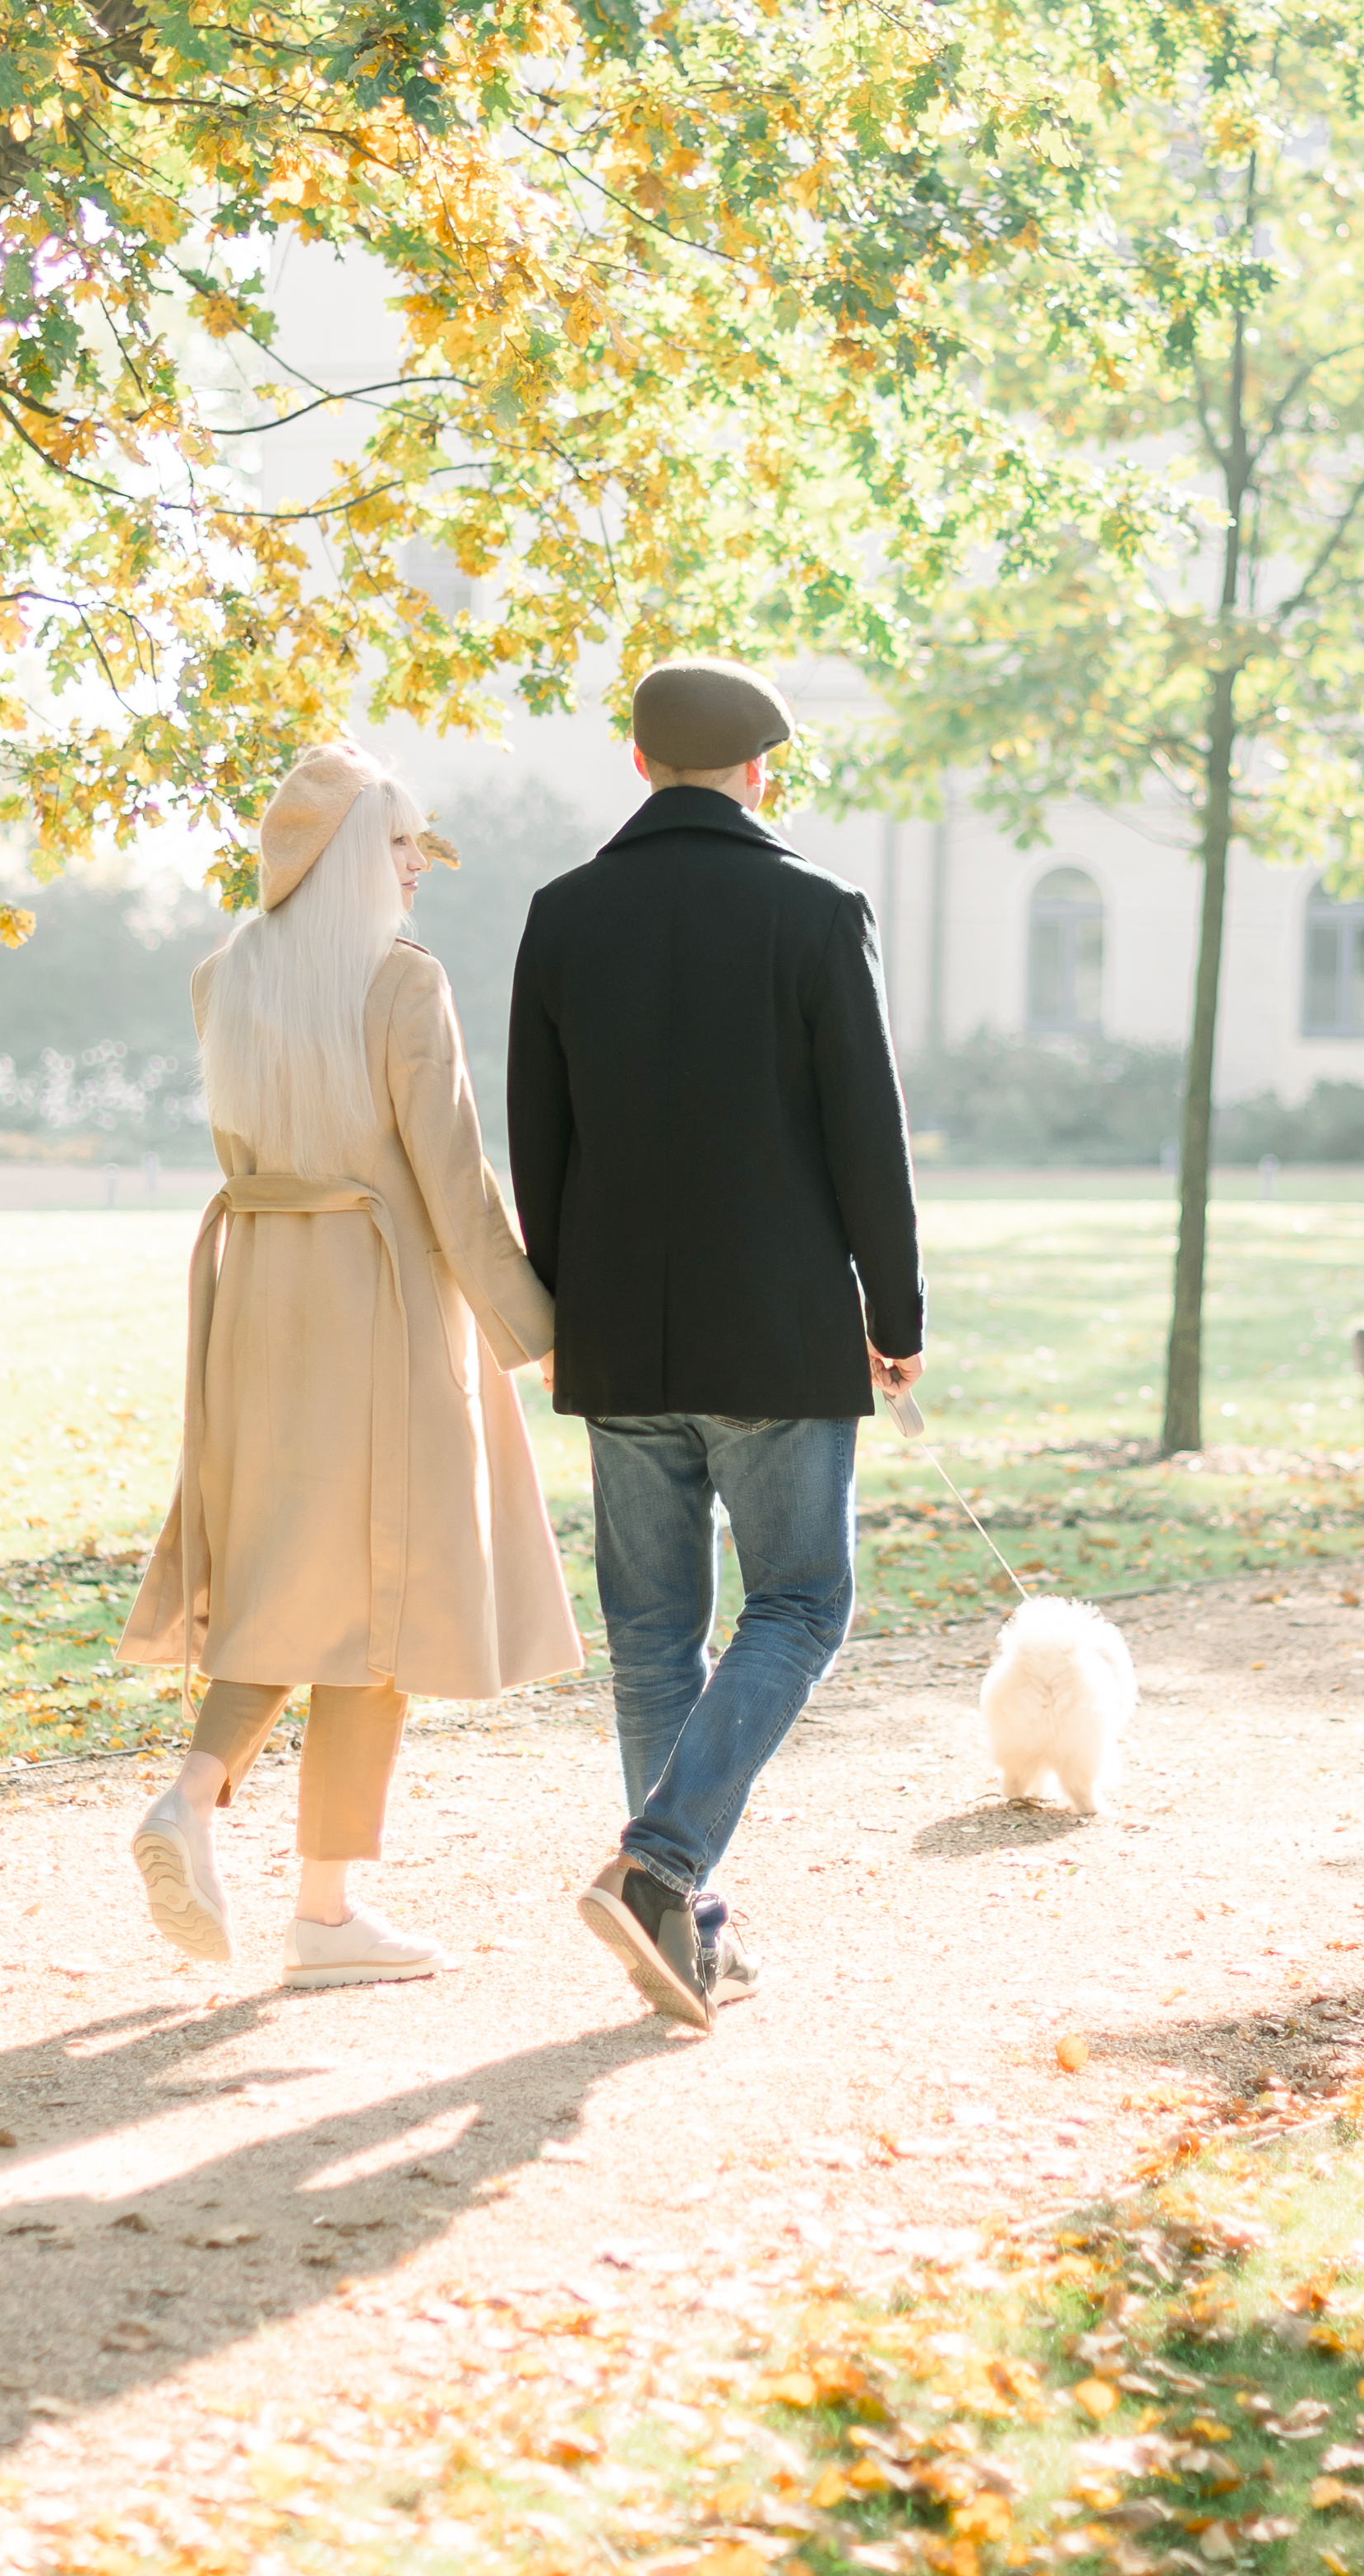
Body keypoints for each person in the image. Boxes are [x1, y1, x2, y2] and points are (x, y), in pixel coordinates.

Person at [116, 741, 578, 1990]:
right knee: (385, 1598)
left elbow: (240, 1147)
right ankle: (320, 1910)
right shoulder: (399, 984)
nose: (417, 860)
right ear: (340, 858)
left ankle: (200, 1798)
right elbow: (451, 1172)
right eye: (395, 841)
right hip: (381, 1301)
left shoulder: (226, 979)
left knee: (288, 1575)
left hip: (259, 1303)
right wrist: (532, 1326)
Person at [507, 657, 926, 2032]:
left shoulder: (561, 917)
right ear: (765, 769)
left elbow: (542, 1145)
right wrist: (895, 1313)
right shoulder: (814, 911)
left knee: (649, 1636)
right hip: (781, 1326)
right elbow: (866, 1128)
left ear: (638, 767)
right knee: (803, 1603)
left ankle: (684, 1926)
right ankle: (661, 1868)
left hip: (622, 1331)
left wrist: (569, 1317)